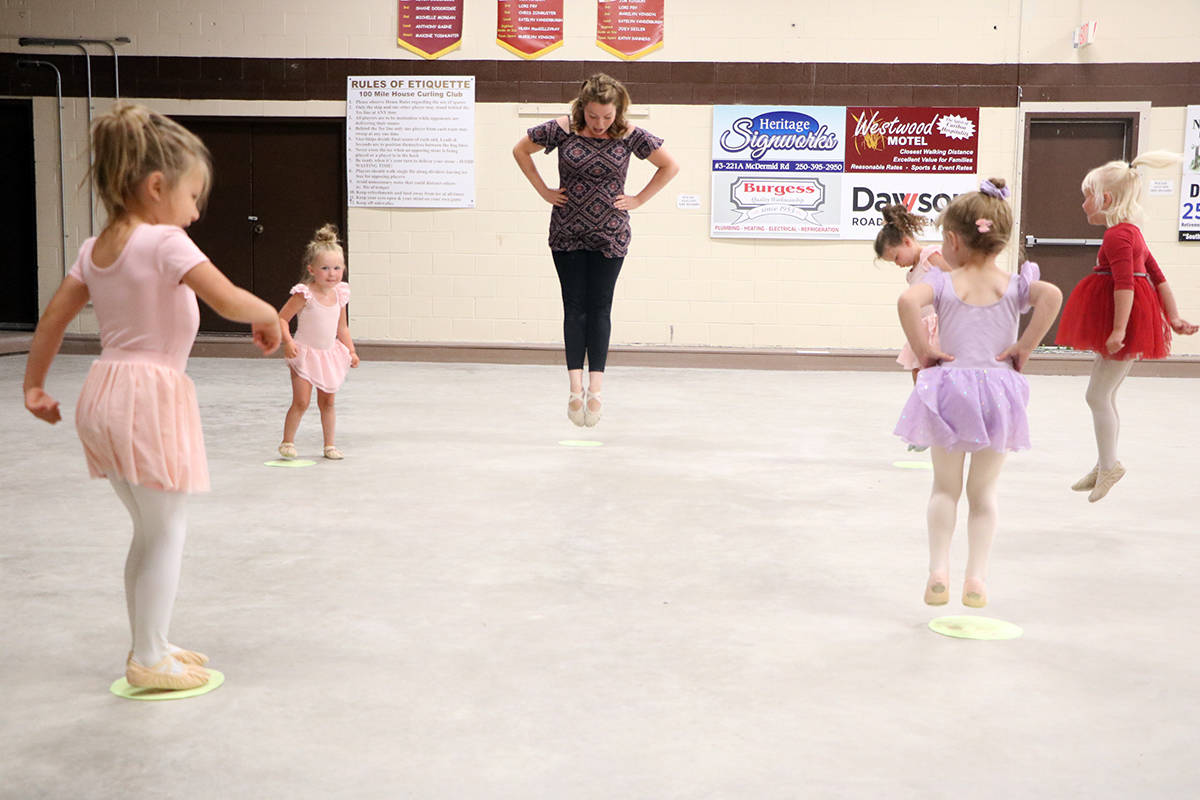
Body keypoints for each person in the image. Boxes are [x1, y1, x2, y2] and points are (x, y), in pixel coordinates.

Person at [22, 102, 281, 690]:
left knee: (147, 529)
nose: (194, 214)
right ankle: (148, 660)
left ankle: (153, 643)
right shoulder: (165, 242)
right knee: (167, 531)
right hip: (148, 394)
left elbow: (53, 321)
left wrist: (35, 384)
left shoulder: (94, 249)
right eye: (193, 198)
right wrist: (271, 317)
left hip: (104, 392)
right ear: (156, 186)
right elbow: (229, 298)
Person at [894, 179, 1063, 608]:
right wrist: (1026, 347)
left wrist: (924, 350)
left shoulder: (945, 283)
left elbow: (907, 302)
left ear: (952, 240)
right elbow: (1053, 296)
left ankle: (938, 570)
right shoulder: (1014, 284)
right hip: (997, 394)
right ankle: (977, 578)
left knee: (944, 488)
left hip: (950, 388)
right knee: (984, 494)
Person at [513, 73, 679, 426]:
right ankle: (575, 389)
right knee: (574, 307)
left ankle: (597, 390)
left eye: (607, 117)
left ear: (618, 111)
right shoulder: (562, 128)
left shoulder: (629, 134)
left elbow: (670, 165)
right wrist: (544, 191)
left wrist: (638, 199)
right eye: (593, 116)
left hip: (610, 233)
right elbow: (520, 149)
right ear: (582, 108)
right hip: (567, 230)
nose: (600, 124)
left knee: (600, 307)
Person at [1054, 152, 1198, 501]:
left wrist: (1118, 331)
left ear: (1106, 199)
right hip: (1132, 321)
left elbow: (1126, 285)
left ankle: (1109, 466)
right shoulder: (1132, 233)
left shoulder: (1117, 237)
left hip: (1127, 323)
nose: (1083, 203)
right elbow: (1158, 278)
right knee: (1107, 394)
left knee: (1097, 395)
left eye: (1087, 196)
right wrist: (1174, 317)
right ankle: (1106, 461)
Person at [277, 224, 358, 460]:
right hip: (304, 353)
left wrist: (351, 351)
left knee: (328, 402)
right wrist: (288, 342)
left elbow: (341, 327)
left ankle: (329, 445)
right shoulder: (304, 294)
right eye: (325, 268)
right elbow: (282, 318)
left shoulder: (340, 294)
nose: (332, 273)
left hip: (329, 354)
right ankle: (287, 442)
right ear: (312, 269)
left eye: (337, 268)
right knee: (301, 401)